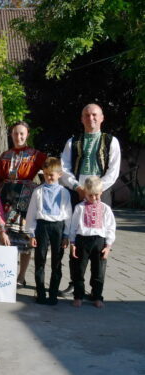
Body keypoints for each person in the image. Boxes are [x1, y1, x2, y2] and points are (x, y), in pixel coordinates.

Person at [59, 103, 121, 297]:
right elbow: (63, 168)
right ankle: (75, 283)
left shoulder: (111, 141)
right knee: (76, 237)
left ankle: (97, 287)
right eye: (86, 115)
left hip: (101, 193)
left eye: (94, 115)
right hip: (77, 192)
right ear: (81, 118)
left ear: (102, 118)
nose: (91, 118)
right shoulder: (73, 141)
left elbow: (113, 170)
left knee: (100, 240)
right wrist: (78, 187)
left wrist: (96, 190)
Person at [0, 121, 46, 287]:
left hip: (26, 199)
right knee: (5, 236)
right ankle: (5, 273)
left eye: (22, 133)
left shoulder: (37, 155)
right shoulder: (5, 155)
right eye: (15, 133)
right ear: (11, 135)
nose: (18, 137)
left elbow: (50, 172)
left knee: (24, 238)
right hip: (6, 198)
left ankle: (21, 276)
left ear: (27, 134)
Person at [24, 157, 72, 305]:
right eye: (45, 174)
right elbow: (31, 213)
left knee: (57, 261)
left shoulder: (64, 192)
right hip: (42, 226)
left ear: (59, 174)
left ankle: (53, 294)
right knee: (40, 259)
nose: (48, 177)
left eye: (51, 174)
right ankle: (40, 293)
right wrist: (31, 233)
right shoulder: (38, 191)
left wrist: (66, 235)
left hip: (58, 227)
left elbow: (68, 214)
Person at [68, 176, 116, 308]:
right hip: (82, 241)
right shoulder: (80, 208)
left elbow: (111, 228)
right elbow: (73, 226)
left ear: (101, 193)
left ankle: (97, 296)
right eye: (90, 195)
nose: (94, 198)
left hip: (99, 242)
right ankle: (78, 295)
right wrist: (72, 243)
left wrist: (108, 245)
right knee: (78, 270)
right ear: (85, 193)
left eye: (96, 195)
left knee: (98, 271)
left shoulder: (105, 209)